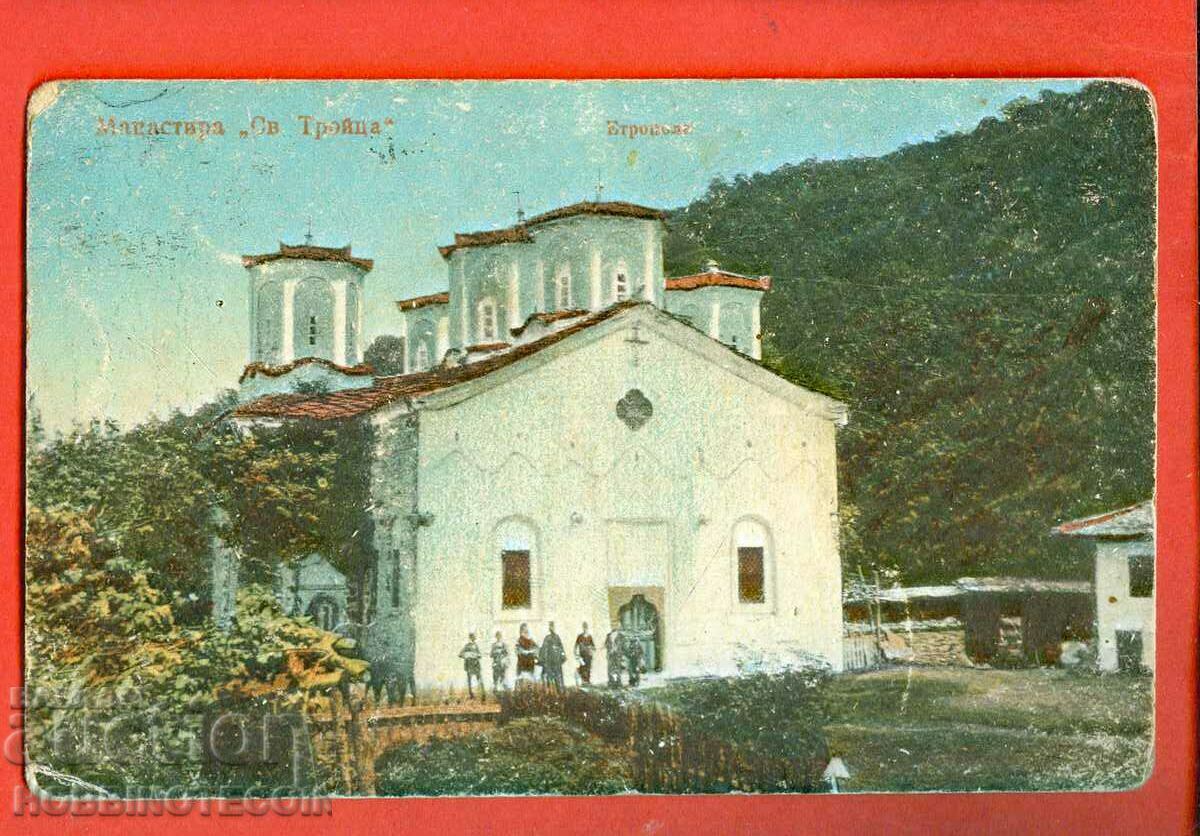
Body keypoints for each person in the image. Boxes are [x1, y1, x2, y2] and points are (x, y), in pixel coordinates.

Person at [539, 622, 566, 691]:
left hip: (557, 661)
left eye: (553, 627)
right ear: (549, 628)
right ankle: (550, 692)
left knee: (558, 678)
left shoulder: (557, 637)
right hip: (550, 661)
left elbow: (561, 647)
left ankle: (560, 691)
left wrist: (563, 656)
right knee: (549, 678)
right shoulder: (547, 638)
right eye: (551, 627)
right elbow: (544, 648)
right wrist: (542, 660)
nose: (552, 628)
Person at [457, 632, 485, 700]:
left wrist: (476, 655)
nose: (473, 638)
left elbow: (480, 655)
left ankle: (483, 694)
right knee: (470, 680)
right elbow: (460, 654)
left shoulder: (476, 645)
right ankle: (471, 695)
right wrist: (467, 655)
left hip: (476, 664)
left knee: (480, 679)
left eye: (474, 637)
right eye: (472, 637)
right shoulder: (467, 646)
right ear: (470, 637)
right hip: (469, 665)